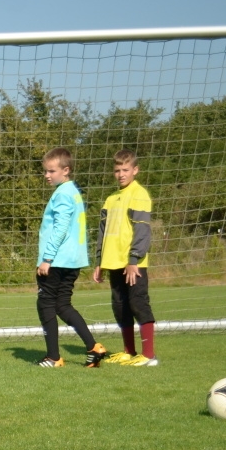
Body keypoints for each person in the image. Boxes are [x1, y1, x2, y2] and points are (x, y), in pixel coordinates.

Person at [35, 147, 107, 369]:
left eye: (51, 171)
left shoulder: (63, 193)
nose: (47, 175)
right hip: (72, 260)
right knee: (63, 305)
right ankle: (93, 348)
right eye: (45, 171)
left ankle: (54, 357)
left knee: (45, 303)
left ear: (66, 170)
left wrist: (47, 258)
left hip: (57, 260)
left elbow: (61, 228)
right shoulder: (73, 191)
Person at [94, 149, 157, 366]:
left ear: (135, 170)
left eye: (125, 170)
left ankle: (149, 356)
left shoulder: (139, 194)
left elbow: (142, 232)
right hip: (112, 262)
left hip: (132, 264)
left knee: (138, 304)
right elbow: (102, 233)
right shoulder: (111, 199)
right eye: (117, 170)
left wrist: (133, 261)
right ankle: (128, 351)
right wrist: (99, 262)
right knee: (120, 307)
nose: (121, 174)